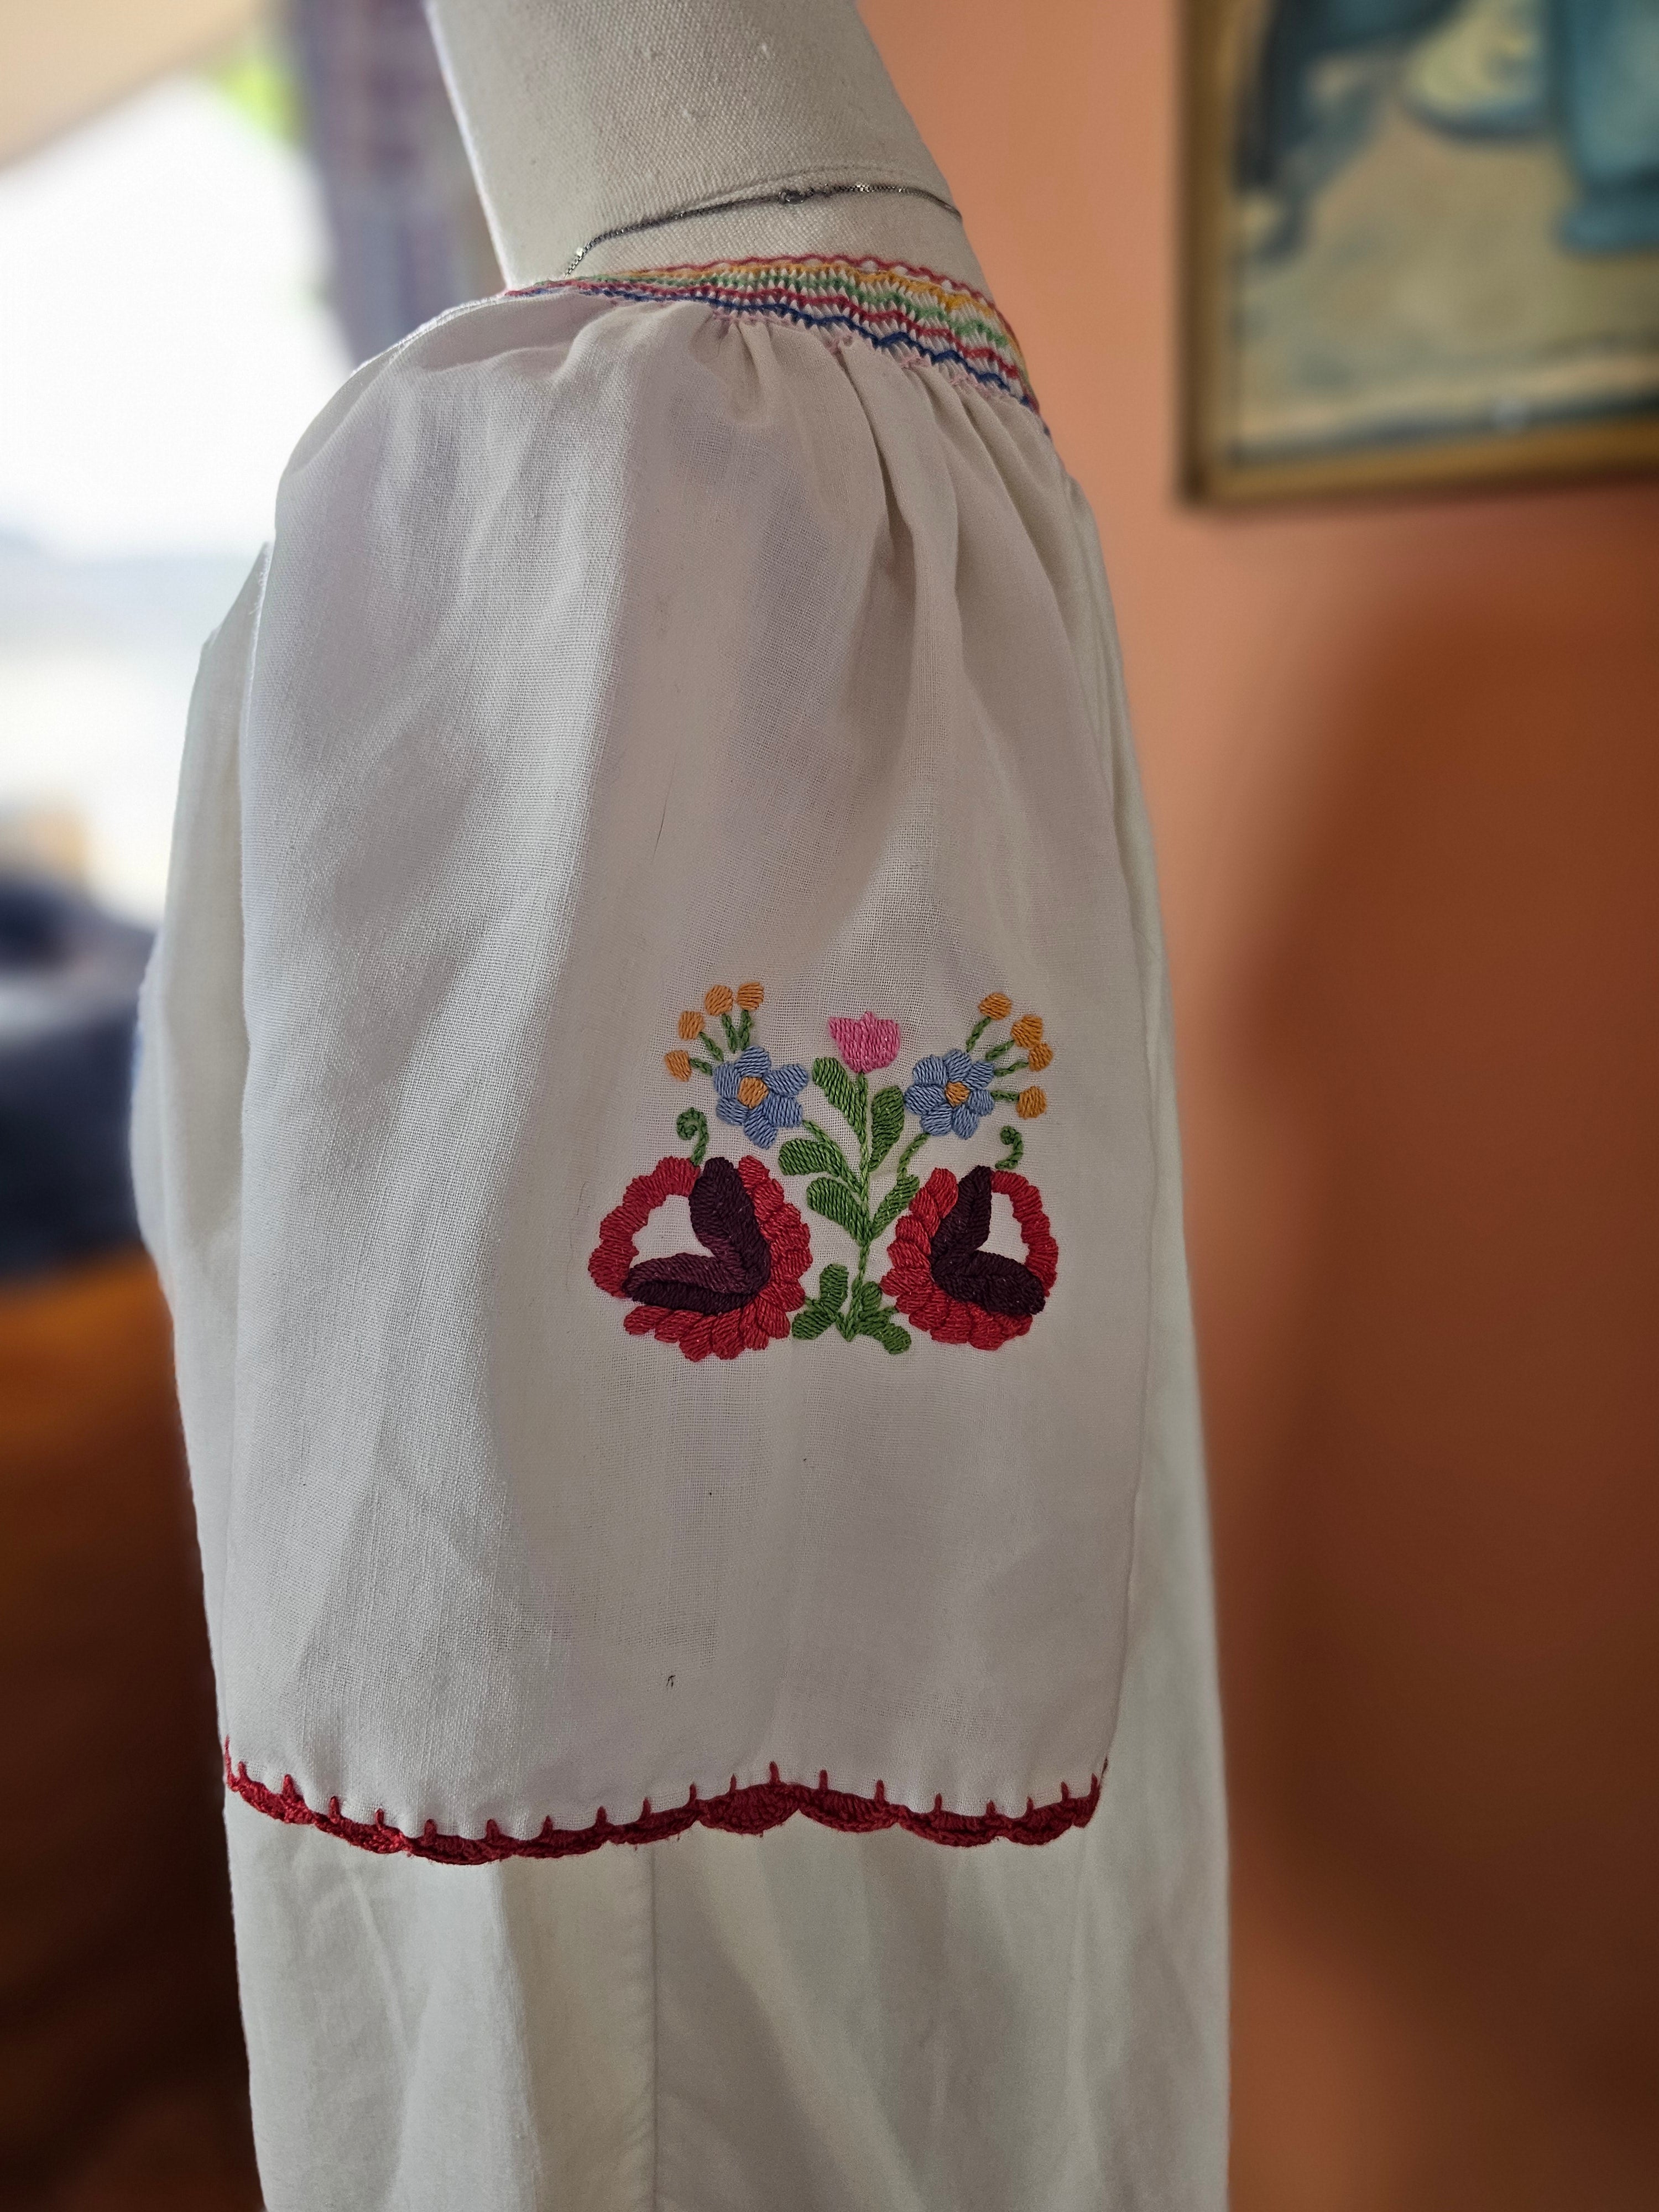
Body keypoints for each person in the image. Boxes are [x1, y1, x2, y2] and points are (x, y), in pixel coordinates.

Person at [132, 3, 1226, 2204]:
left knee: (648, 2051)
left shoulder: (580, 464)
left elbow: (363, 1227)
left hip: (616, 1783)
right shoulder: (938, 451)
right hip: (842, 1734)